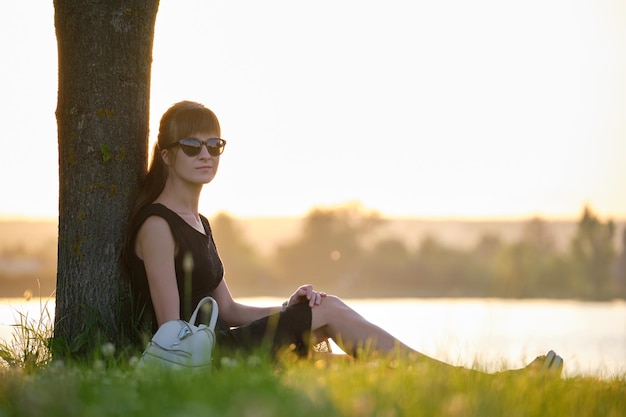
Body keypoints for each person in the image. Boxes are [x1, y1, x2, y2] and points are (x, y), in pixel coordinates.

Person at [123, 100, 563, 375]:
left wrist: (286, 310)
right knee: (328, 310)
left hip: (223, 344)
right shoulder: (158, 225)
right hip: (203, 359)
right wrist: (290, 325)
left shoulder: (198, 221)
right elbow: (171, 334)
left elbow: (231, 308)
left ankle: (469, 386)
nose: (205, 155)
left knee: (330, 344)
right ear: (166, 155)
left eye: (214, 146)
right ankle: (482, 382)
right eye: (192, 147)